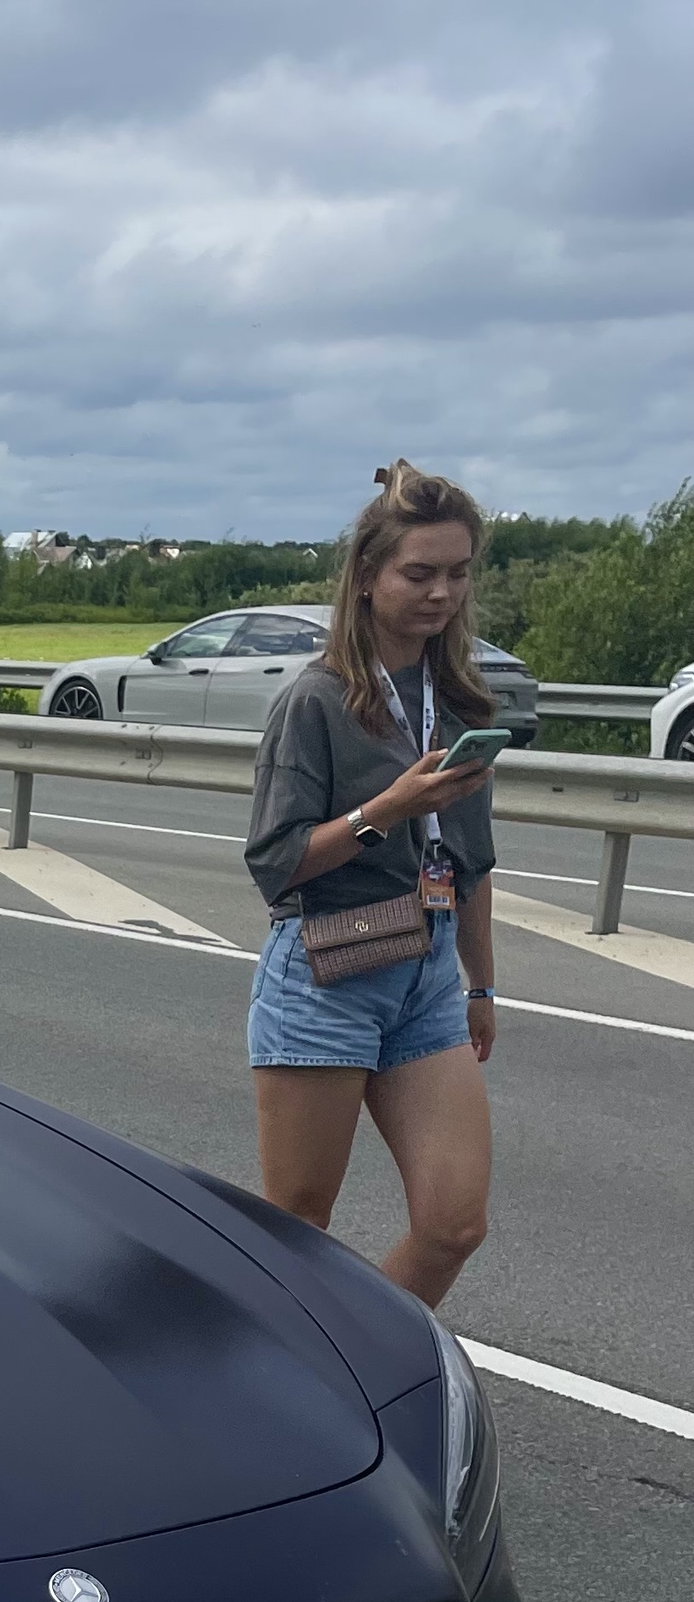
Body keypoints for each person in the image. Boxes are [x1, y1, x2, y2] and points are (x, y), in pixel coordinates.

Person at [244, 461, 501, 1305]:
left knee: (453, 1223)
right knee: (296, 1228)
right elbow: (276, 862)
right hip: (326, 971)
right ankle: (286, 1389)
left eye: (458, 573)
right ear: (366, 577)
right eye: (419, 573)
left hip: (426, 973)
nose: (442, 594)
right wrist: (387, 808)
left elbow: (472, 862)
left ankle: (356, 1363)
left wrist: (481, 984)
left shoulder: (460, 700)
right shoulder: (316, 701)